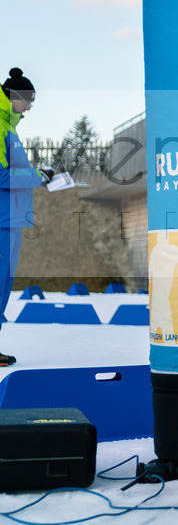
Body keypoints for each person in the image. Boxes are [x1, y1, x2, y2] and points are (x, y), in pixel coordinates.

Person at [0, 68, 54, 367]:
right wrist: (36, 175)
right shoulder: (0, 124)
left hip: (9, 220)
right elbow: (1, 175)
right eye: (29, 100)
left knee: (3, 286)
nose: (31, 106)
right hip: (2, 221)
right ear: (16, 97)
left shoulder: (9, 125)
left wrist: (40, 176)